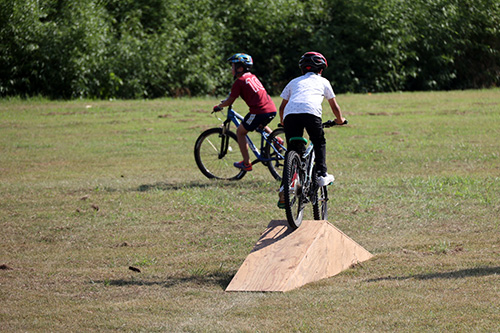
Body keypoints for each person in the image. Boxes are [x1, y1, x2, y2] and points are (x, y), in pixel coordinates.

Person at [278, 51, 346, 207]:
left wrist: (282, 122)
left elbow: (282, 107)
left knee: (293, 149)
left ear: (302, 69)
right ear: (321, 70)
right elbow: (334, 105)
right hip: (311, 114)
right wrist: (340, 120)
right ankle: (322, 173)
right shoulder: (323, 82)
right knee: (318, 141)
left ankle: (285, 186)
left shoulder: (294, 81)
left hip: (290, 115)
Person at [213, 53, 279, 172]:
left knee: (240, 132)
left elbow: (230, 101)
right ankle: (277, 140)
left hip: (258, 111)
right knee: (260, 125)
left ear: (240, 68)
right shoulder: (252, 77)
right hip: (271, 109)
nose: (231, 69)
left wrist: (219, 106)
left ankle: (246, 163)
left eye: (233, 66)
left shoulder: (240, 81)